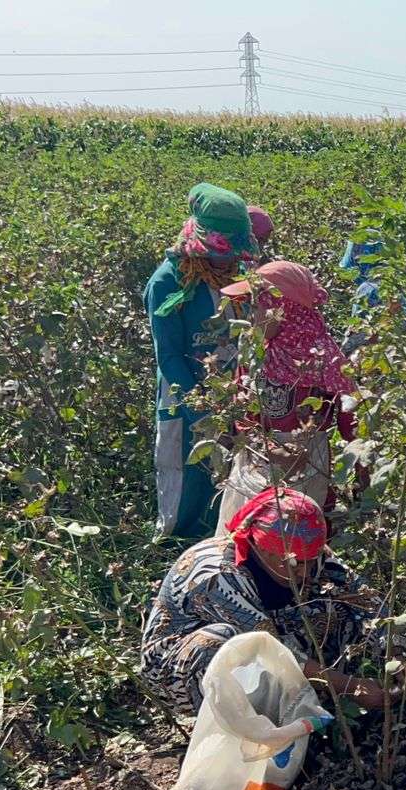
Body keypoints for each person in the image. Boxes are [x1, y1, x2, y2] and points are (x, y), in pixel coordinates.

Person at [142, 487, 406, 713]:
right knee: (218, 641)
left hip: (268, 643)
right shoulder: (215, 574)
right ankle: (246, 727)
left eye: (309, 561)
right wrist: (349, 686)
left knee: (333, 602)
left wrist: (396, 655)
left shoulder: (309, 553)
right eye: (292, 564)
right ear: (260, 549)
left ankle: (311, 699)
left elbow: (365, 600)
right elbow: (268, 648)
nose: (304, 571)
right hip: (178, 670)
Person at [213, 261, 360, 531]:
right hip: (258, 459)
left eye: (258, 307)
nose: (253, 317)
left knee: (295, 540)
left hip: (306, 466)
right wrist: (247, 439)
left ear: (285, 309)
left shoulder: (323, 358)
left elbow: (353, 428)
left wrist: (363, 493)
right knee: (244, 532)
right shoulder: (255, 350)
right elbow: (241, 405)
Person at [147, 183, 258, 540]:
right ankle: (174, 546)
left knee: (225, 473)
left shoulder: (236, 274)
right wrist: (200, 407)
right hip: (184, 393)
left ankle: (215, 539)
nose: (229, 261)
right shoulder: (168, 282)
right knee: (184, 469)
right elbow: (169, 356)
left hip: (230, 391)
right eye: (222, 253)